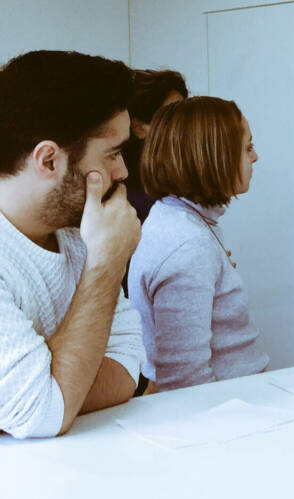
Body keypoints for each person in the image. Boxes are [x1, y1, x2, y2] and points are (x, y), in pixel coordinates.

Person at [0, 50, 144, 438]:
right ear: (49, 160)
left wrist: (55, 387)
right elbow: (41, 411)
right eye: (113, 153)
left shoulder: (81, 231)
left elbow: (127, 365)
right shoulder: (98, 243)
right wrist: (106, 264)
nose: (123, 171)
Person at [128, 96, 269, 391]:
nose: (255, 157)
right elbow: (185, 382)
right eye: (247, 148)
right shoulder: (187, 244)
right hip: (223, 410)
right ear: (215, 157)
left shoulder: (183, 222)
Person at [124, 69, 188, 222]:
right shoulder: (127, 200)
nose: (185, 124)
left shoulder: (180, 178)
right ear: (139, 128)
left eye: (185, 113)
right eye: (171, 116)